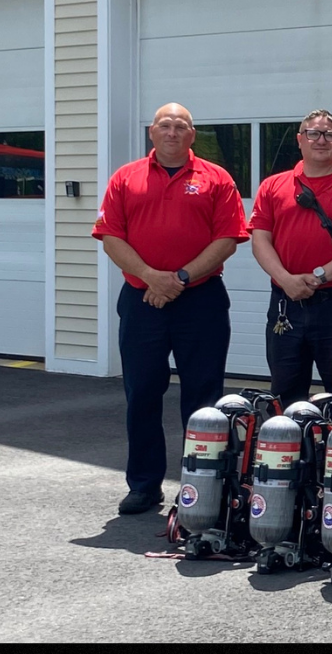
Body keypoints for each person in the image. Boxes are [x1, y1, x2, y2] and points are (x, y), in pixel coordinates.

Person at [93, 103, 249, 514]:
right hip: (142, 300)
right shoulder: (125, 178)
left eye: (181, 126)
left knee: (203, 398)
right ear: (152, 131)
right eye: (166, 125)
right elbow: (110, 237)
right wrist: (151, 277)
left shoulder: (217, 179)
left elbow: (228, 239)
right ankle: (144, 485)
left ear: (192, 135)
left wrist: (177, 279)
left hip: (201, 299)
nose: (173, 132)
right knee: (142, 392)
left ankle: (204, 486)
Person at [250, 109, 332, 407]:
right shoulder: (273, 186)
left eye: (329, 134)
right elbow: (260, 240)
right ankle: (290, 439)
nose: (321, 140)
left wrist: (319, 277)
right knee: (285, 397)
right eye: (313, 133)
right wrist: (286, 280)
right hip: (285, 305)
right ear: (300, 140)